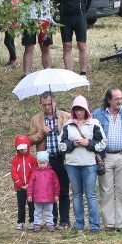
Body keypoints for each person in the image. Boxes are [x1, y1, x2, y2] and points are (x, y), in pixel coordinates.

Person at [61, 95, 106, 233]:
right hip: (72, 164)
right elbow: (61, 145)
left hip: (89, 163)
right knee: (76, 194)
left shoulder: (94, 124)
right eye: (76, 109)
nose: (79, 112)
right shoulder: (68, 125)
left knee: (91, 194)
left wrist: (89, 143)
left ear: (85, 110)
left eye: (81, 109)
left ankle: (94, 225)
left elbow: (103, 143)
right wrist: (72, 144)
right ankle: (79, 223)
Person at [93, 88, 122, 231]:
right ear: (109, 100)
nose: (119, 101)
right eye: (116, 99)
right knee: (106, 190)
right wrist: (97, 154)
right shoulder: (98, 114)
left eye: (121, 98)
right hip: (105, 156)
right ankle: (109, 223)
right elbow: (93, 135)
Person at [28, 92, 70, 228]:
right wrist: (42, 133)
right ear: (41, 105)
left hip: (62, 158)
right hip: (45, 161)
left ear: (55, 102)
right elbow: (29, 140)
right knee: (47, 190)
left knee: (63, 189)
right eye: (44, 105)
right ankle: (52, 220)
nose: (47, 107)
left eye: (49, 104)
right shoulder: (36, 119)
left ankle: (64, 220)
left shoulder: (66, 116)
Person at [52, 0, 91, 76]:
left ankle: (83, 72)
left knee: (82, 44)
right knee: (67, 46)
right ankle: (69, 73)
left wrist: (83, 11)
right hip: (65, 18)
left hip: (79, 16)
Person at [22, 0, 53, 76]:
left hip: (44, 18)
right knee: (28, 47)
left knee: (45, 47)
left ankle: (47, 73)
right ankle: (26, 74)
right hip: (29, 18)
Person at [28, 151, 60, 232]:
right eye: (40, 163)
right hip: (37, 197)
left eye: (44, 163)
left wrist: (56, 195)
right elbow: (30, 185)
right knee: (37, 212)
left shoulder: (52, 173)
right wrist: (29, 195)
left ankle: (50, 224)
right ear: (37, 163)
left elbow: (56, 184)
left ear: (47, 162)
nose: (42, 165)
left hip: (49, 197)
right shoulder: (34, 173)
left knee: (49, 211)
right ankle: (37, 224)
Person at [11, 135, 36, 230]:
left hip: (30, 187)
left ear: (28, 147)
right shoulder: (15, 160)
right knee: (21, 205)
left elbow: (34, 172)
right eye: (20, 149)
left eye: (24, 148)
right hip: (20, 188)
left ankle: (32, 221)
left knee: (32, 205)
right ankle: (21, 221)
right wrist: (20, 185)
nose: (22, 150)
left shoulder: (32, 159)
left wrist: (29, 184)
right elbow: (14, 173)